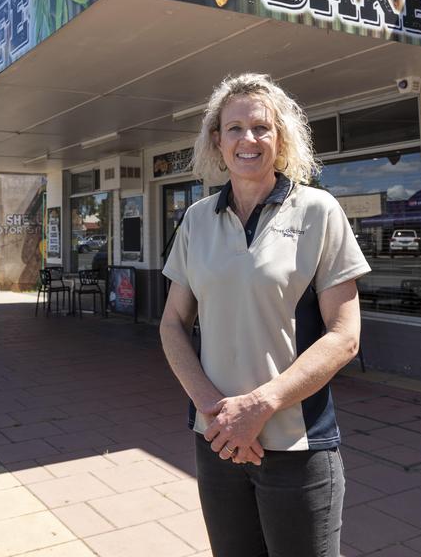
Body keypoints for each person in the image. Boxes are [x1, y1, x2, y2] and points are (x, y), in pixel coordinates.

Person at [160, 73, 369, 557]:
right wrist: (215, 408)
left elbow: (345, 336)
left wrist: (259, 406)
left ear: (281, 137)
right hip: (216, 440)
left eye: (261, 128)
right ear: (218, 140)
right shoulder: (196, 220)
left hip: (297, 446)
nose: (247, 140)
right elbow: (172, 324)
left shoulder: (318, 211)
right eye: (234, 129)